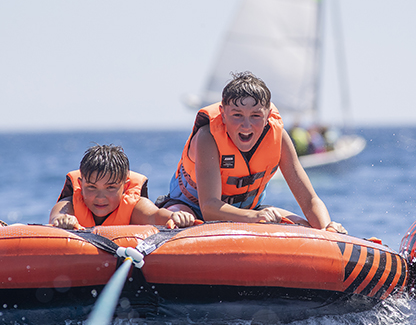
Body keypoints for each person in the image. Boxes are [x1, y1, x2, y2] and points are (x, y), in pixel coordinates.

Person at [157, 71, 346, 233]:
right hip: (190, 208)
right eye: (237, 115)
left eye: (256, 116)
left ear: (267, 116)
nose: (246, 125)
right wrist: (254, 217)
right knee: (180, 220)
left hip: (250, 210)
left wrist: (326, 230)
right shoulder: (207, 137)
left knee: (305, 227)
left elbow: (310, 200)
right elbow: (208, 208)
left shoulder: (278, 137)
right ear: (223, 114)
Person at [49, 144, 195, 230]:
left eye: (111, 188)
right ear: (80, 184)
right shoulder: (69, 206)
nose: (100, 197)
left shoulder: (135, 206)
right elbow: (57, 216)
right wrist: (63, 220)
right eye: (92, 187)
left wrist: (175, 216)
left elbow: (155, 216)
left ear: (124, 187)